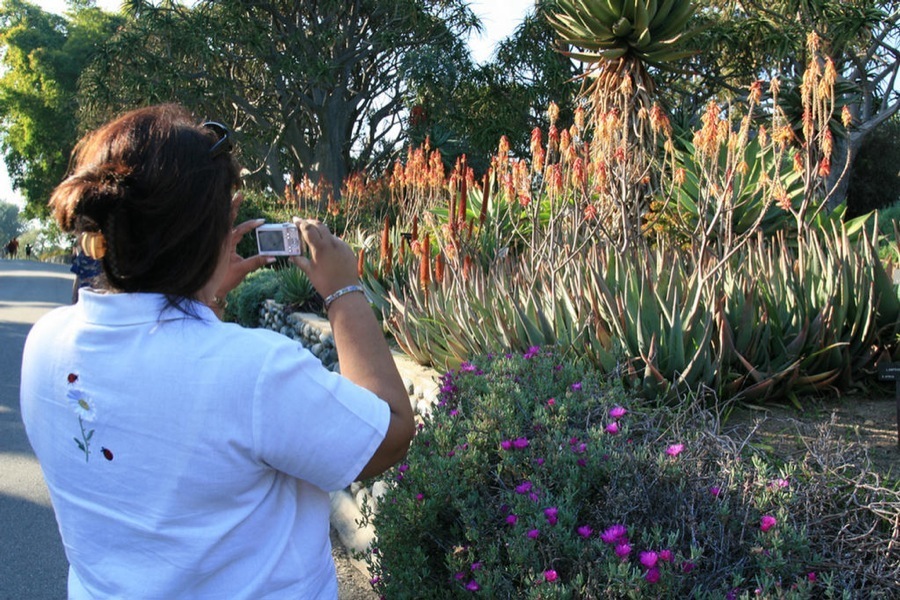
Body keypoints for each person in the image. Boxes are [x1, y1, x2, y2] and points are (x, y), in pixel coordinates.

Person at [19, 104, 414, 599]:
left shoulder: (45, 342)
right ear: (208, 230)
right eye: (228, 214)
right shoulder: (254, 369)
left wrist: (203, 298)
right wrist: (344, 292)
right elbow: (391, 431)